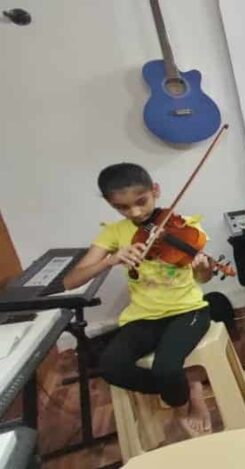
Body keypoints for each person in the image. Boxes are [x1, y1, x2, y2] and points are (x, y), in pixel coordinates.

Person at [64, 163, 214, 437]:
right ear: (112, 206)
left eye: (141, 201)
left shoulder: (184, 226)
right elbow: (72, 280)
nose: (135, 212)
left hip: (188, 311)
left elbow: (203, 280)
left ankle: (181, 403)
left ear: (155, 190)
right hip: (142, 317)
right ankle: (187, 389)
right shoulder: (113, 233)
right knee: (110, 366)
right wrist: (110, 260)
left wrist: (204, 267)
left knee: (166, 367)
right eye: (122, 208)